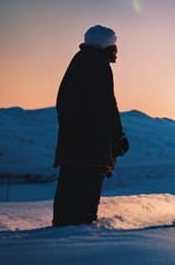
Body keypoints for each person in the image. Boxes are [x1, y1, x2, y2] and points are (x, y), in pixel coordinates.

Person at [52, 25, 129, 226]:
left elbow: (64, 104)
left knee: (69, 185)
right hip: (92, 144)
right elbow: (107, 106)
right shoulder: (99, 65)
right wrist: (117, 137)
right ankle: (83, 230)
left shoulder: (79, 61)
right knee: (88, 188)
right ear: (107, 46)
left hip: (73, 141)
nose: (117, 51)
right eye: (114, 45)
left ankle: (61, 226)